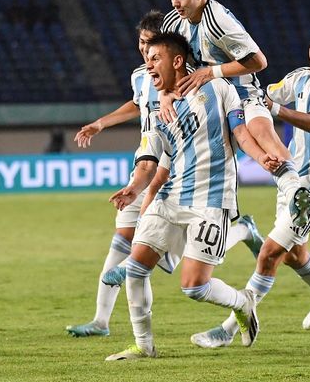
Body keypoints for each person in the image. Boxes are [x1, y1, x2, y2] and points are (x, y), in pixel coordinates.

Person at [66, 11, 263, 338]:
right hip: (146, 162)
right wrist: (102, 122)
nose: (145, 53)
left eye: (152, 48)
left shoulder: (198, 85)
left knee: (173, 259)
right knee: (129, 244)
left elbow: (233, 124)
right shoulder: (141, 77)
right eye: (142, 45)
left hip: (175, 169)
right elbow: (136, 106)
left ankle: (239, 233)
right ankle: (108, 323)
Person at [105, 32, 282, 360]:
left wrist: (263, 159)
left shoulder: (218, 89)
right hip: (171, 197)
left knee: (194, 287)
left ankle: (242, 303)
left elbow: (241, 134)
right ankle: (143, 345)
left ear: (177, 61)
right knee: (136, 267)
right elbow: (161, 165)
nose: (148, 65)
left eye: (155, 59)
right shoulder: (162, 110)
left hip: (211, 201)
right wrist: (136, 191)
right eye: (147, 60)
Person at [190, 19, 310, 348]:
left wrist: (274, 107)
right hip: (291, 175)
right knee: (295, 254)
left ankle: (228, 328)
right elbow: (263, 95)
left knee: (269, 254)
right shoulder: (299, 78)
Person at [159, 0, 310, 229]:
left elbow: (258, 62)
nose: (175, 3)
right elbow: (162, 62)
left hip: (241, 92)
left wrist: (211, 72)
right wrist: (164, 93)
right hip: (203, 102)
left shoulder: (218, 20)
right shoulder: (173, 22)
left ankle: (296, 193)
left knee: (262, 135)